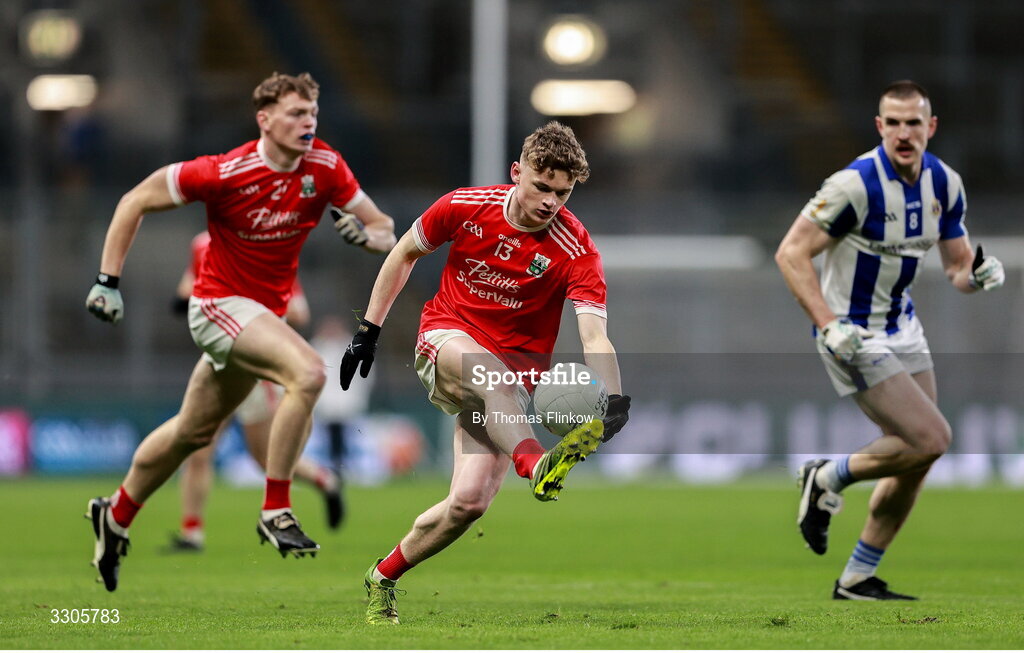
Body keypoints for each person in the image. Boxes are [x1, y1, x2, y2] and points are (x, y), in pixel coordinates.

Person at [83, 72, 396, 591]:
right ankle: (275, 509)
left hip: (259, 321)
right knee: (310, 373)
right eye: (296, 114)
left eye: (312, 114)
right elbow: (133, 200)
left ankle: (114, 514)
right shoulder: (224, 171)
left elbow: (384, 226)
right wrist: (107, 281)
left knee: (191, 433)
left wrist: (367, 236)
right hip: (217, 307)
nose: (307, 123)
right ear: (265, 120)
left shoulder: (326, 167)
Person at [339, 121, 632, 625]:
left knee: (468, 504)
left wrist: (613, 397)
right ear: (517, 172)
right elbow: (404, 252)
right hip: (446, 339)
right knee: (489, 373)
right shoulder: (464, 205)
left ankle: (381, 577)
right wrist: (369, 329)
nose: (550, 202)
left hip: (509, 388)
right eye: (541, 187)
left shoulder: (577, 250)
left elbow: (593, 336)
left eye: (562, 193)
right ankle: (535, 462)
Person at [775, 80, 1005, 601]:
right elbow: (791, 254)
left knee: (917, 456)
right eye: (893, 123)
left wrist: (979, 274)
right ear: (880, 127)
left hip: (904, 329)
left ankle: (857, 577)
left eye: (913, 122)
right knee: (933, 438)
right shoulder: (854, 185)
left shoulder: (945, 184)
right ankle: (826, 477)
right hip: (852, 334)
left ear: (931, 127)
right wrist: (829, 324)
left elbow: (956, 267)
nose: (904, 133)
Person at [166, 232, 343, 552]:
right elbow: (183, 296)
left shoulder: (268, 247)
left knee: (265, 459)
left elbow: (299, 312)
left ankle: (324, 480)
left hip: (255, 368)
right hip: (219, 358)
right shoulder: (203, 244)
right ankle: (192, 533)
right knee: (197, 446)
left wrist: (253, 313)